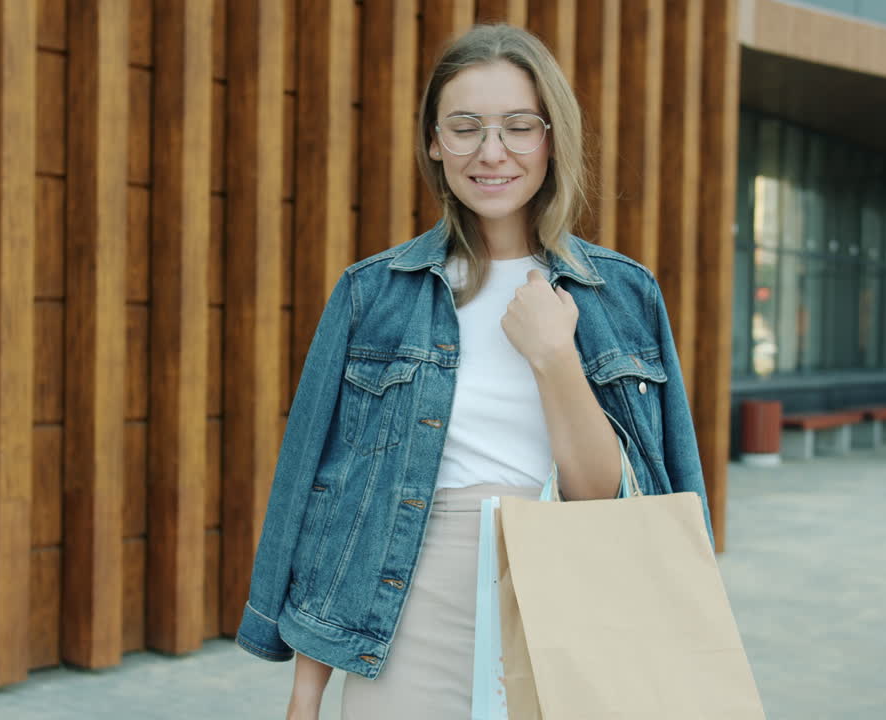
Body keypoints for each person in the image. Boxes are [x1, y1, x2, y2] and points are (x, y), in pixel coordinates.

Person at [235, 23, 711, 720]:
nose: (493, 153)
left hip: (572, 602)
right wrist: (306, 695)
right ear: (434, 141)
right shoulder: (374, 294)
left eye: (520, 127)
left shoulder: (623, 295)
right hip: (404, 610)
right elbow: (327, 496)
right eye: (465, 127)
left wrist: (554, 358)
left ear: (552, 138)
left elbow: (607, 496)